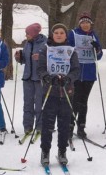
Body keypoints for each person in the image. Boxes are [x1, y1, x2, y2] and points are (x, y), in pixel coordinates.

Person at [37, 23, 80, 166]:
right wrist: (48, 77)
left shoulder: (71, 51)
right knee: (48, 124)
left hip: (67, 92)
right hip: (50, 92)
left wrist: (68, 79)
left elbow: (76, 70)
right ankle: (45, 151)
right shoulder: (45, 49)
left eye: (62, 32)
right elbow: (41, 68)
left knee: (64, 124)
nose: (59, 35)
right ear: (52, 35)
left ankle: (62, 151)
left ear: (66, 35)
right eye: (56, 33)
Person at [67, 12, 103, 138]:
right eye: (83, 22)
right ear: (80, 24)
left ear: (90, 24)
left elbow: (99, 56)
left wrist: (97, 48)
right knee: (74, 100)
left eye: (88, 22)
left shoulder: (94, 36)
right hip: (75, 73)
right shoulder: (73, 33)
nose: (85, 25)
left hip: (89, 73)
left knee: (83, 101)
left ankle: (81, 127)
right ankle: (70, 126)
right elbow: (66, 48)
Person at [14, 23, 47, 136]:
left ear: (34, 34)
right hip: (27, 78)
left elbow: (51, 59)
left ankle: (40, 126)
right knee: (27, 103)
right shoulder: (27, 44)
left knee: (39, 104)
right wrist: (20, 57)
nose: (26, 35)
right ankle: (27, 126)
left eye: (27, 33)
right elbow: (26, 60)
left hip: (39, 78)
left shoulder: (45, 44)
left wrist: (41, 57)